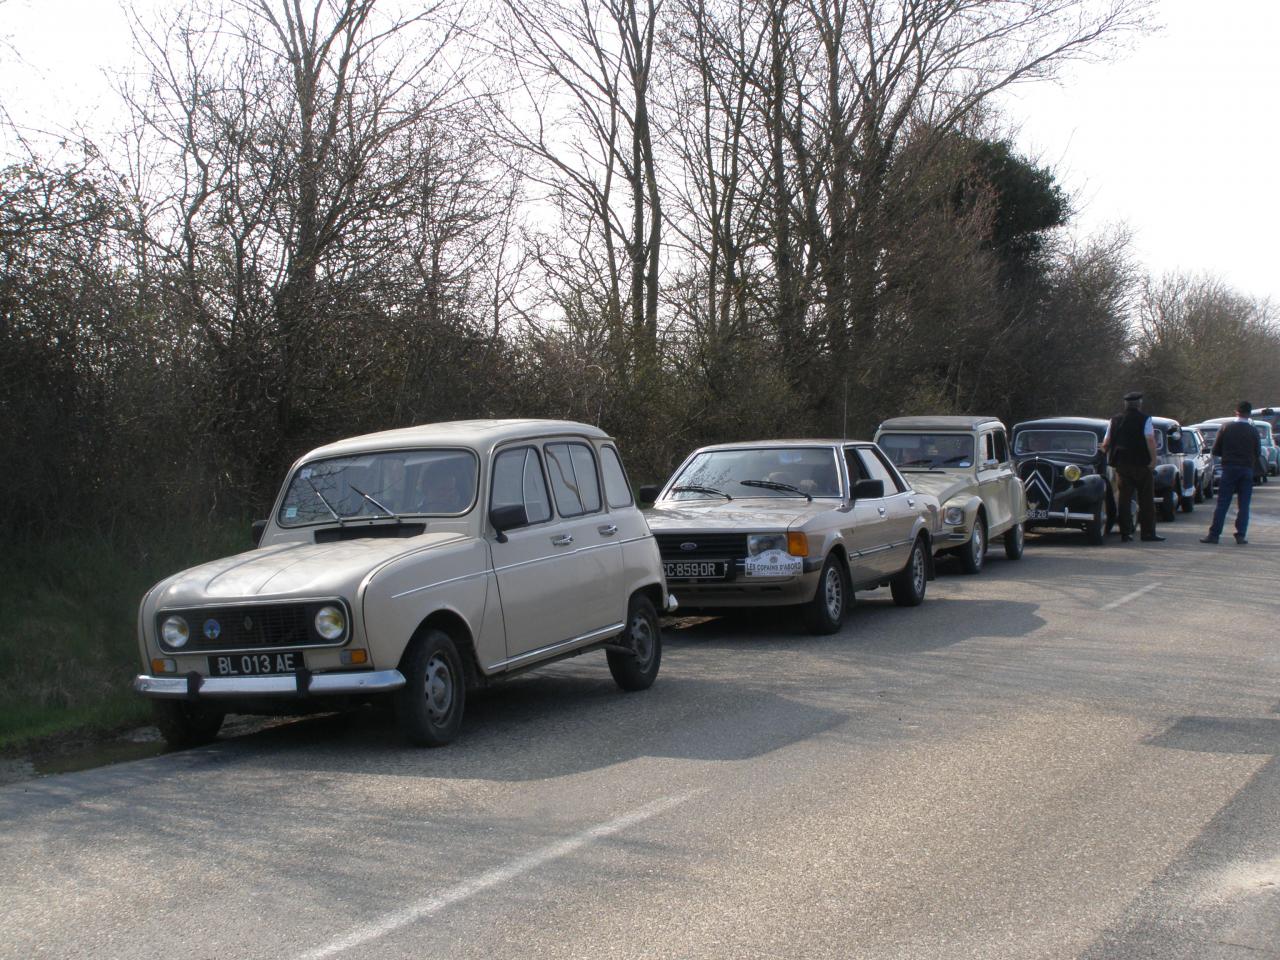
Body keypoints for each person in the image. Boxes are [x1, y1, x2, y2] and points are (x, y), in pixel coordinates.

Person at [1100, 391, 1164, 542]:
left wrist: (1103, 452)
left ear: (1125, 404)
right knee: (1146, 499)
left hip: (1122, 464)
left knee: (1124, 499)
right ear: (1139, 404)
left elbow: (1107, 441)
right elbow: (1150, 440)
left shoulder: (1114, 420)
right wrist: (1153, 460)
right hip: (1142, 464)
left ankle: (1125, 533)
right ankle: (1148, 533)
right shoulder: (1145, 419)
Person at [1201, 401, 1262, 545]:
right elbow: (1258, 452)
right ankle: (1240, 535)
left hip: (1229, 468)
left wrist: (1227, 455)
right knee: (1244, 504)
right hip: (1246, 469)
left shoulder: (1226, 428)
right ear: (1249, 413)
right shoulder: (1253, 431)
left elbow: (1215, 450)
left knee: (1223, 503)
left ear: (1236, 412)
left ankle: (1214, 534)